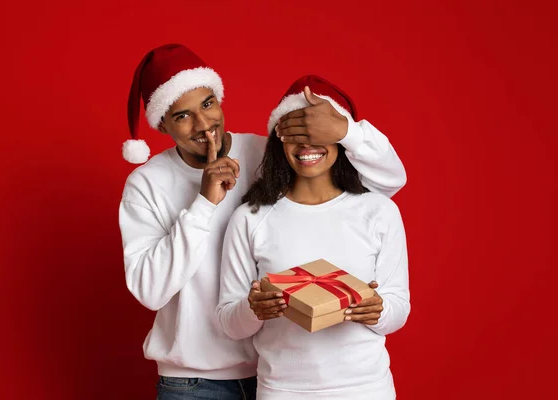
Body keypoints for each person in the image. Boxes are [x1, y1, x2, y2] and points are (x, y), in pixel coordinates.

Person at [119, 44, 407, 400]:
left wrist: (346, 131)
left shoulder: (265, 155)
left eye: (208, 104)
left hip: (276, 373)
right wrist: (203, 203)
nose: (203, 124)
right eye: (183, 115)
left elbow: (386, 184)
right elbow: (150, 291)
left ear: (220, 99)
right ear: (162, 123)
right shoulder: (147, 184)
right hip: (195, 381)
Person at [217, 75, 410, 399]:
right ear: (278, 140)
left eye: (318, 133)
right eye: (294, 133)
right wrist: (254, 309)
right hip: (282, 391)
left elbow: (398, 307)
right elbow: (229, 323)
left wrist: (380, 311)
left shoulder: (379, 211)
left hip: (367, 390)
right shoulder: (250, 218)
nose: (306, 145)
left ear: (340, 138)